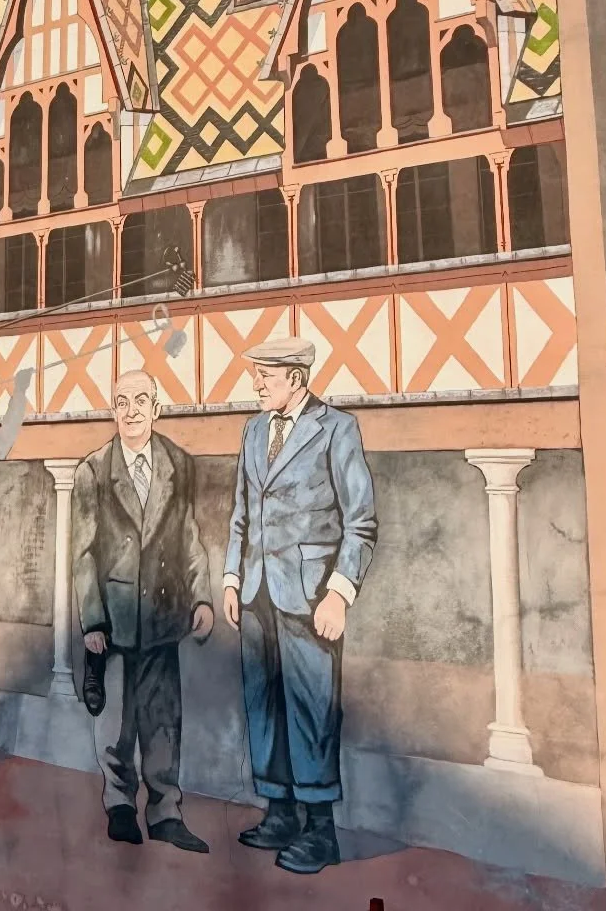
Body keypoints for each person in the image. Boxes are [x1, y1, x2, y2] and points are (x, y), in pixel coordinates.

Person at [222, 337, 378, 875]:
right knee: (263, 705)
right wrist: (229, 576)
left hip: (312, 596)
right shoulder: (252, 430)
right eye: (257, 375)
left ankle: (320, 832)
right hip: (256, 592)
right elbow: (241, 510)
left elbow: (361, 521)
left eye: (265, 375)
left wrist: (339, 591)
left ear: (294, 376)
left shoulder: (337, 429)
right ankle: (280, 814)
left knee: (312, 709)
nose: (257, 383)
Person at [71, 368, 212, 852]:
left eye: (139, 401)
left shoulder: (179, 463)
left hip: (163, 613)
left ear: (157, 407)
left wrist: (202, 597)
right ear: (113, 411)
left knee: (162, 718)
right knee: (116, 720)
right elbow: (83, 552)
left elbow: (190, 536)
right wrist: (91, 620)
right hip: (112, 619)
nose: (130, 411)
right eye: (121, 402)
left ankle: (166, 812)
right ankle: (119, 806)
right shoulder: (93, 470)